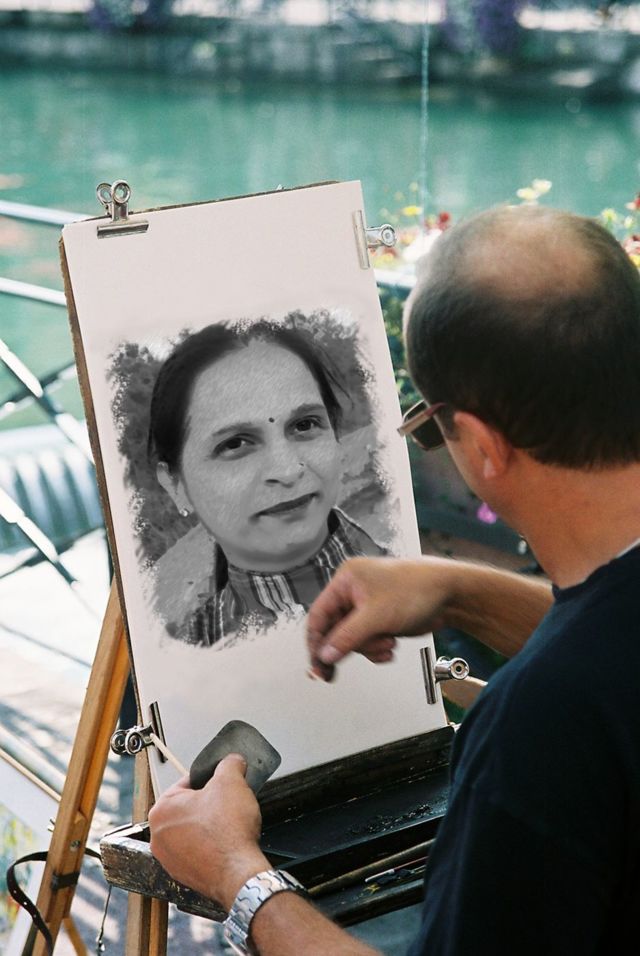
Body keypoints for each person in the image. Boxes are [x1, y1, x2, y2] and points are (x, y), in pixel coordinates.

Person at [148, 204, 640, 955]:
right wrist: (460, 590)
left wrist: (238, 877)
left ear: (480, 444)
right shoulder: (581, 686)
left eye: (430, 428)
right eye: (238, 442)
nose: (285, 469)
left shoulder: (534, 732)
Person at [148, 318, 386, 645]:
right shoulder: (188, 655)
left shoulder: (421, 593)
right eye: (235, 444)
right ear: (176, 487)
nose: (288, 470)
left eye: (304, 425)